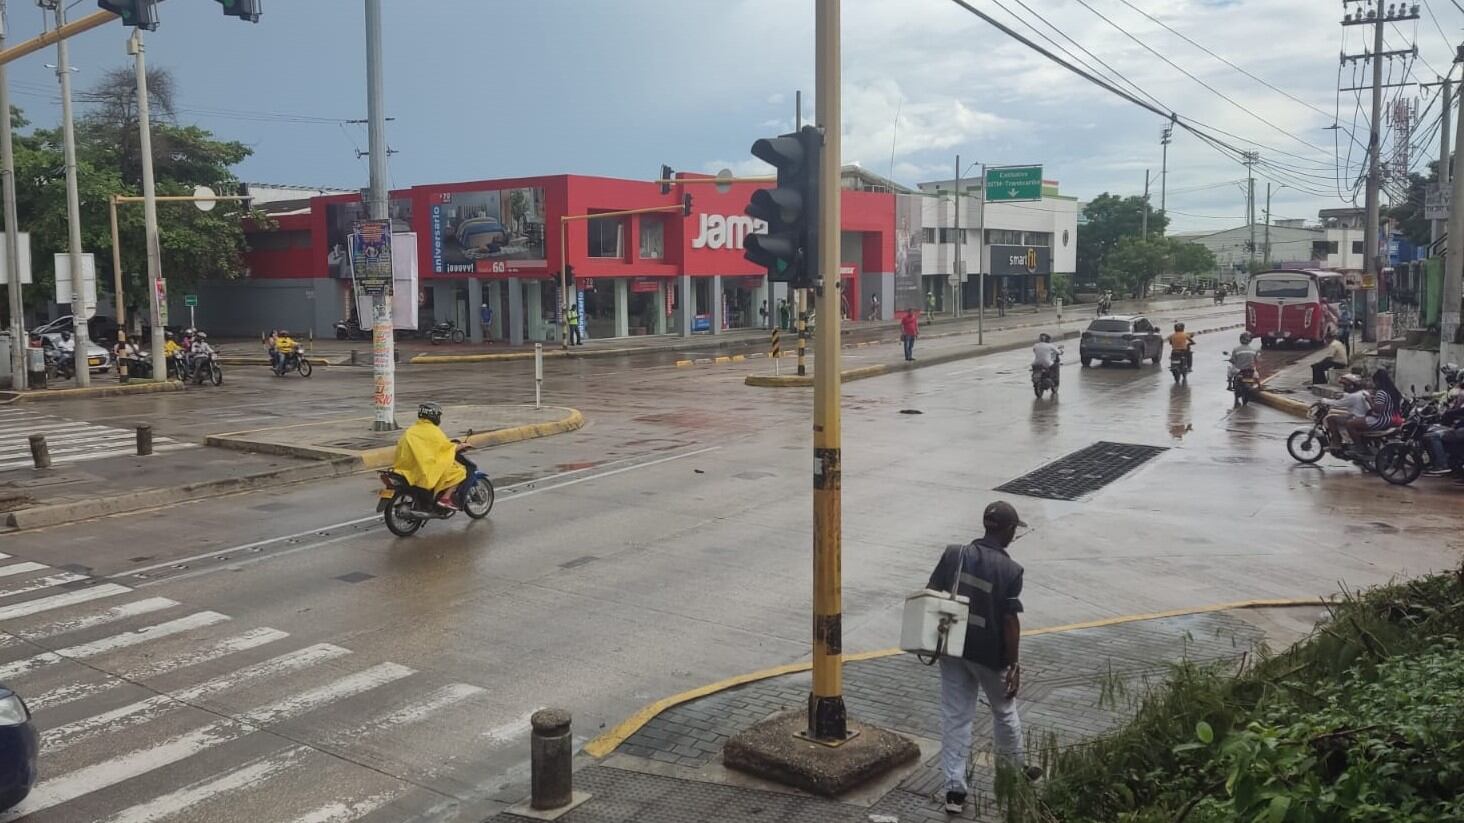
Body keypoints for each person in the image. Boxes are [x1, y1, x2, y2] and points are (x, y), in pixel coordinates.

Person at [927, 501, 1042, 815]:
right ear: (1008, 530)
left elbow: (931, 595)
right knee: (1004, 711)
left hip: (953, 649)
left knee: (955, 717)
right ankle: (1012, 774)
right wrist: (1014, 664)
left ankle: (954, 791)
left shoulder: (954, 555)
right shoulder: (1011, 570)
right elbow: (1010, 621)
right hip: (990, 655)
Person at [392, 403, 468, 511]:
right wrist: (461, 446)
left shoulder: (411, 430)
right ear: (434, 416)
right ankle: (445, 499)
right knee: (460, 472)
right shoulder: (434, 432)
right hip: (424, 469)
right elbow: (445, 448)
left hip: (408, 469)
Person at [1345, 368, 1403, 445]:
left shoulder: (1381, 393)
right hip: (1389, 418)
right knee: (1358, 420)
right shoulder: (1392, 392)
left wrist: (1369, 400)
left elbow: (1377, 410)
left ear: (1378, 381)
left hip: (1381, 420)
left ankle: (1359, 447)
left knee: (1350, 423)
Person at [1322, 373, 1369, 445]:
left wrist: (1324, 400)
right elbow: (1348, 397)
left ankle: (1336, 442)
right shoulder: (1363, 392)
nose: (1344, 388)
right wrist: (1343, 395)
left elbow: (1338, 403)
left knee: (1330, 419)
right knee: (1340, 415)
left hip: (1356, 417)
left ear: (1351, 386)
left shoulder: (1353, 396)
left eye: (1345, 385)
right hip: (1363, 416)